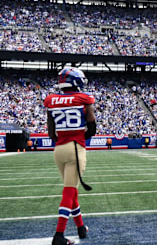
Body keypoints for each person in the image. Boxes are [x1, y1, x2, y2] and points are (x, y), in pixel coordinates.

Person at [44, 67, 97, 245]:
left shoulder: (51, 100)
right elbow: (92, 128)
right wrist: (79, 136)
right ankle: (59, 235)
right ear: (76, 81)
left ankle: (81, 227)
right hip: (76, 148)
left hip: (59, 150)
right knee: (69, 191)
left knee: (71, 189)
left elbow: (51, 133)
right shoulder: (84, 99)